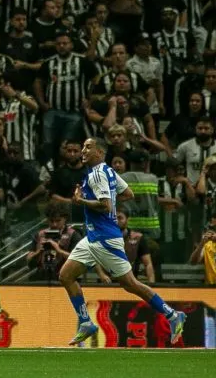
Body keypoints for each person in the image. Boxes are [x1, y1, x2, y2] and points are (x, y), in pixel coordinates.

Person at [58, 138, 186, 345]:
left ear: (99, 152)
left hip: (105, 239)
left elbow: (105, 206)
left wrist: (81, 201)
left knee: (131, 284)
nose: (83, 150)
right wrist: (108, 202)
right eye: (83, 146)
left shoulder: (98, 174)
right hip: (92, 237)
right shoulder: (107, 171)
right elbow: (128, 193)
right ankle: (85, 323)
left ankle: (172, 314)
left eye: (88, 147)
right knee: (65, 276)